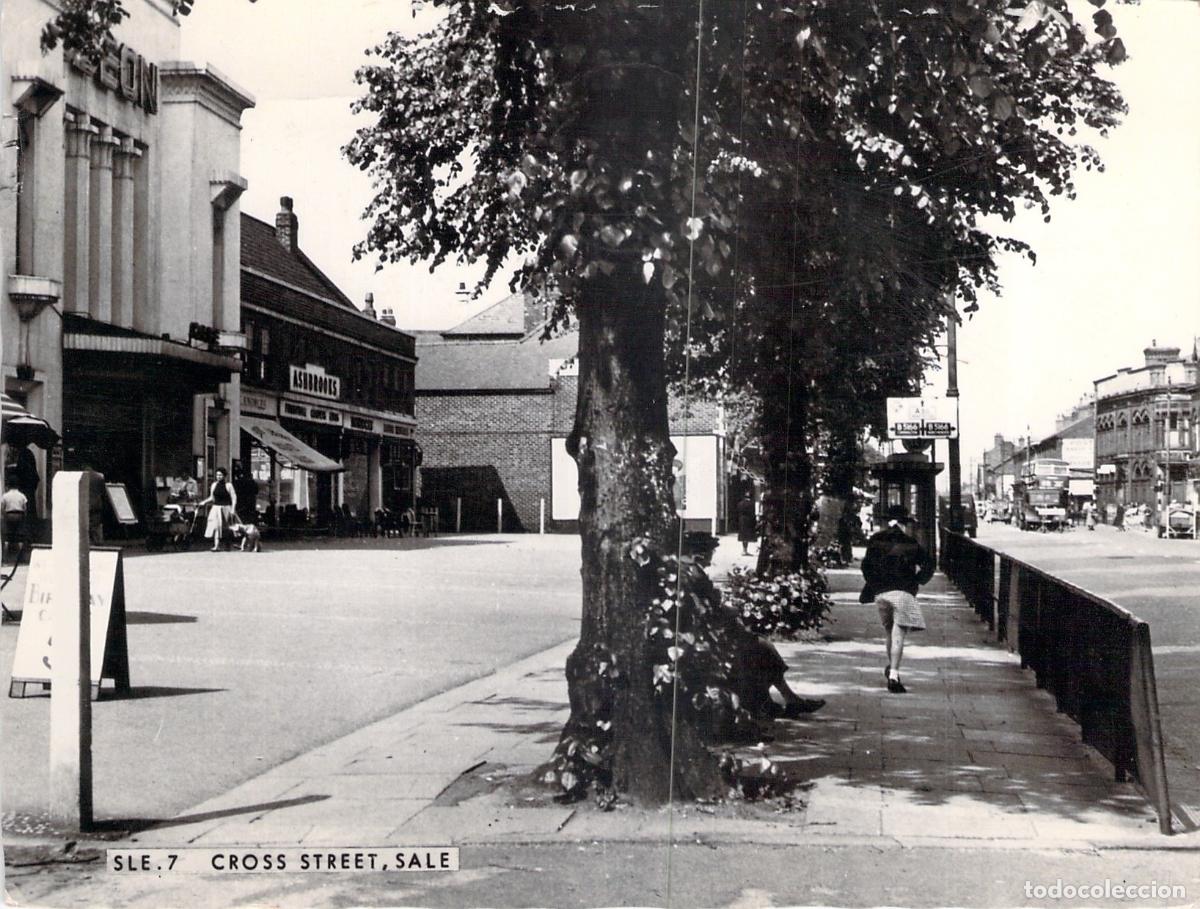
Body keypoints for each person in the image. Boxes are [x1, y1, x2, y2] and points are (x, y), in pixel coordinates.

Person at [861, 504, 935, 694]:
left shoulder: (875, 540)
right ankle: (894, 675)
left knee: (889, 632)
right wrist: (917, 580)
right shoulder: (911, 542)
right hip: (903, 592)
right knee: (898, 634)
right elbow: (929, 564)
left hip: (881, 593)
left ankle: (891, 667)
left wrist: (874, 584)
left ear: (888, 521)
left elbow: (866, 566)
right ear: (905, 523)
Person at [199, 467, 237, 552]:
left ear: (224, 476)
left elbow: (234, 498)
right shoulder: (214, 485)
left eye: (220, 475)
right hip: (216, 508)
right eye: (217, 475)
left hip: (226, 508)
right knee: (216, 526)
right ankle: (216, 545)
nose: (218, 476)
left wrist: (233, 509)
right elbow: (212, 497)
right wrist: (204, 502)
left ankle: (227, 544)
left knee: (226, 528)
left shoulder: (229, 485)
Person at [2, 479, 28, 554]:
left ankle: (5, 554)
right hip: (19, 515)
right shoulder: (22, 495)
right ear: (17, 485)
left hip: (9, 515)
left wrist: (4, 516)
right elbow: (25, 508)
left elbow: (2, 508)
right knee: (19, 535)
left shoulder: (5, 496)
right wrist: (24, 517)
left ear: (8, 485)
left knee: (8, 535)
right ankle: (20, 555)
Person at [736, 492, 757, 556]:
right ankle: (745, 550)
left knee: (743, 535)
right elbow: (752, 513)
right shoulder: (752, 504)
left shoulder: (740, 503)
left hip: (741, 520)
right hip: (748, 521)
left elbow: (737, 512)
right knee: (747, 536)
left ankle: (744, 550)